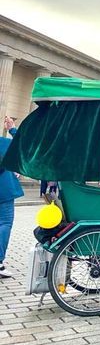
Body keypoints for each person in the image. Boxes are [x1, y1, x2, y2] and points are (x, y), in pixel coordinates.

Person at [0, 116, 24, 278]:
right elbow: (24, 145)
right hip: (4, 190)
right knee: (4, 223)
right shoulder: (3, 143)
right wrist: (12, 129)